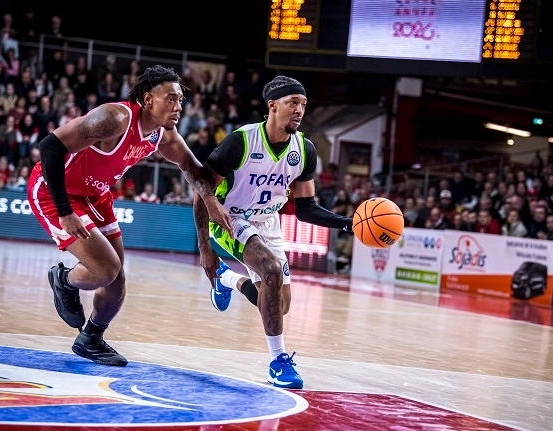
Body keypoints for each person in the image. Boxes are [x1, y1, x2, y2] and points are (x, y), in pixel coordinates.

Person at [27, 65, 232, 367]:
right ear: (148, 100)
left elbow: (193, 169)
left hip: (96, 195)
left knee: (117, 279)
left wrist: (211, 200)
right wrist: (65, 211)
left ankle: (91, 338)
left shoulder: (163, 134)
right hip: (54, 192)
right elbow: (50, 147)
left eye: (180, 100)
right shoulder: (114, 119)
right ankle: (64, 280)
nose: (178, 107)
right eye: (171, 99)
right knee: (106, 269)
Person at [192, 75, 353, 390]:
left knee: (279, 305)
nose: (299, 110)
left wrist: (348, 223)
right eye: (293, 102)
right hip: (230, 218)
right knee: (270, 269)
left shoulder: (304, 150)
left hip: (268, 222)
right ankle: (278, 362)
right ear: (272, 106)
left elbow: (306, 208)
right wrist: (205, 247)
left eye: (303, 104)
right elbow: (201, 191)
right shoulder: (241, 142)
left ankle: (227, 279)